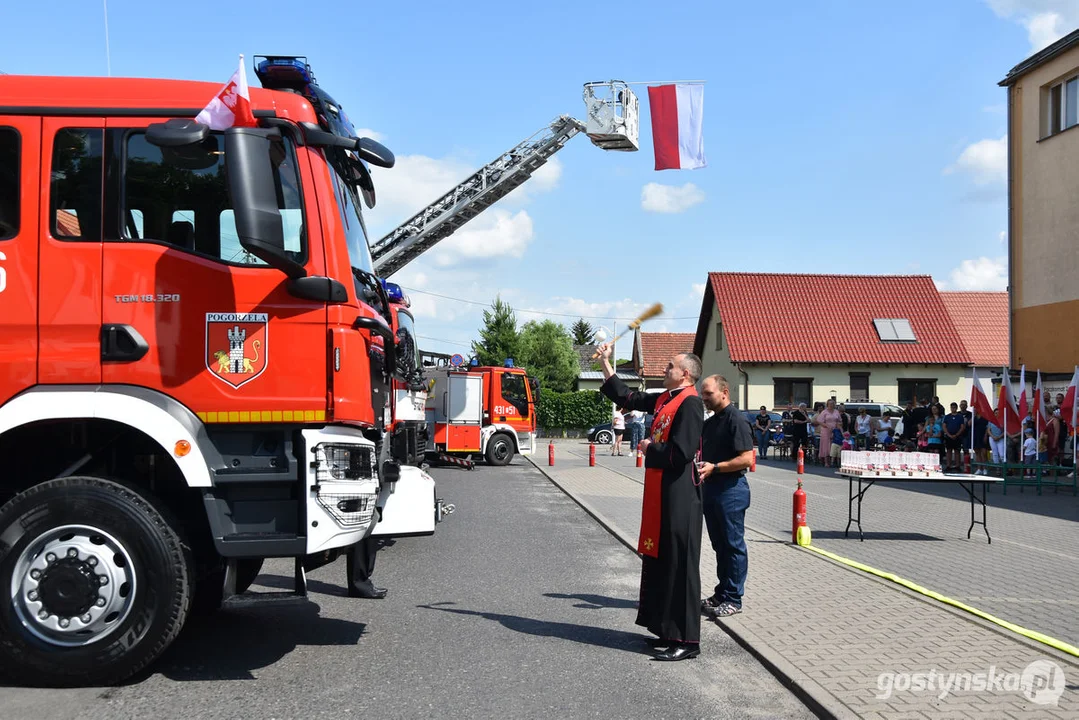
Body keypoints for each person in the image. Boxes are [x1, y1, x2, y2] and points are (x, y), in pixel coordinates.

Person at [595, 341, 704, 662]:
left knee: (680, 565)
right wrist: (605, 363)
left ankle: (687, 639)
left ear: (685, 375)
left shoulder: (690, 404)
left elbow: (682, 452)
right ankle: (665, 629)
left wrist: (647, 447)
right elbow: (628, 397)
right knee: (661, 561)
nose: (665, 369)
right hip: (664, 492)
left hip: (681, 494)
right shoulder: (667, 399)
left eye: (670, 366)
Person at [697, 375, 755, 619]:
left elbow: (747, 459)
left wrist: (715, 467)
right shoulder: (711, 422)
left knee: (732, 545)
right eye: (703, 393)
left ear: (724, 392)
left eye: (708, 393)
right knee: (719, 545)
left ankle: (734, 598)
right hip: (712, 489)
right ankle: (722, 592)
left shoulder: (736, 420)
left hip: (731, 489)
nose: (704, 398)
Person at [814, 399, 841, 467]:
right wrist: (826, 425)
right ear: (827, 404)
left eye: (833, 403)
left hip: (835, 430)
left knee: (834, 445)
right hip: (826, 430)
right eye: (830, 404)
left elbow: (839, 420)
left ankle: (833, 461)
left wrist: (838, 427)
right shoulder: (824, 412)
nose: (832, 405)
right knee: (826, 445)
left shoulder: (836, 412)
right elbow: (819, 421)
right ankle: (826, 462)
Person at [942, 402, 966, 471]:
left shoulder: (960, 416)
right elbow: (944, 426)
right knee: (949, 451)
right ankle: (948, 466)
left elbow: (962, 427)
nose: (953, 409)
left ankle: (957, 466)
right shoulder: (947, 416)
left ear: (956, 408)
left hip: (957, 436)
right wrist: (948, 435)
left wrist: (957, 434)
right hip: (949, 436)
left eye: (954, 407)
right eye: (952, 407)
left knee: (957, 451)